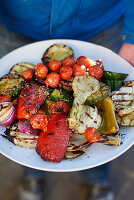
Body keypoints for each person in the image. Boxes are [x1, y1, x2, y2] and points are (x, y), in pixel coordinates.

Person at [0, 1, 133, 200]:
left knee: (98, 135)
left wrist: (132, 36)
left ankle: (98, 181)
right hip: (19, 22)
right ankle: (33, 176)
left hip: (99, 21)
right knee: (26, 140)